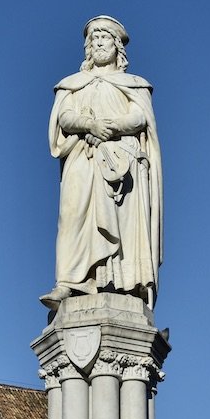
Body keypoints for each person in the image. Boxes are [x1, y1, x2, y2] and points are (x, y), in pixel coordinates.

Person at [42, 16, 162, 311]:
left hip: (121, 164)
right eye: (93, 39)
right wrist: (89, 125)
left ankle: (122, 283)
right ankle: (69, 283)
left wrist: (111, 127)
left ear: (117, 46)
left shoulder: (134, 85)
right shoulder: (73, 84)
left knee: (121, 224)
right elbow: (64, 117)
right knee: (72, 214)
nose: (98, 43)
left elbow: (140, 117)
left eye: (105, 38)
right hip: (82, 156)